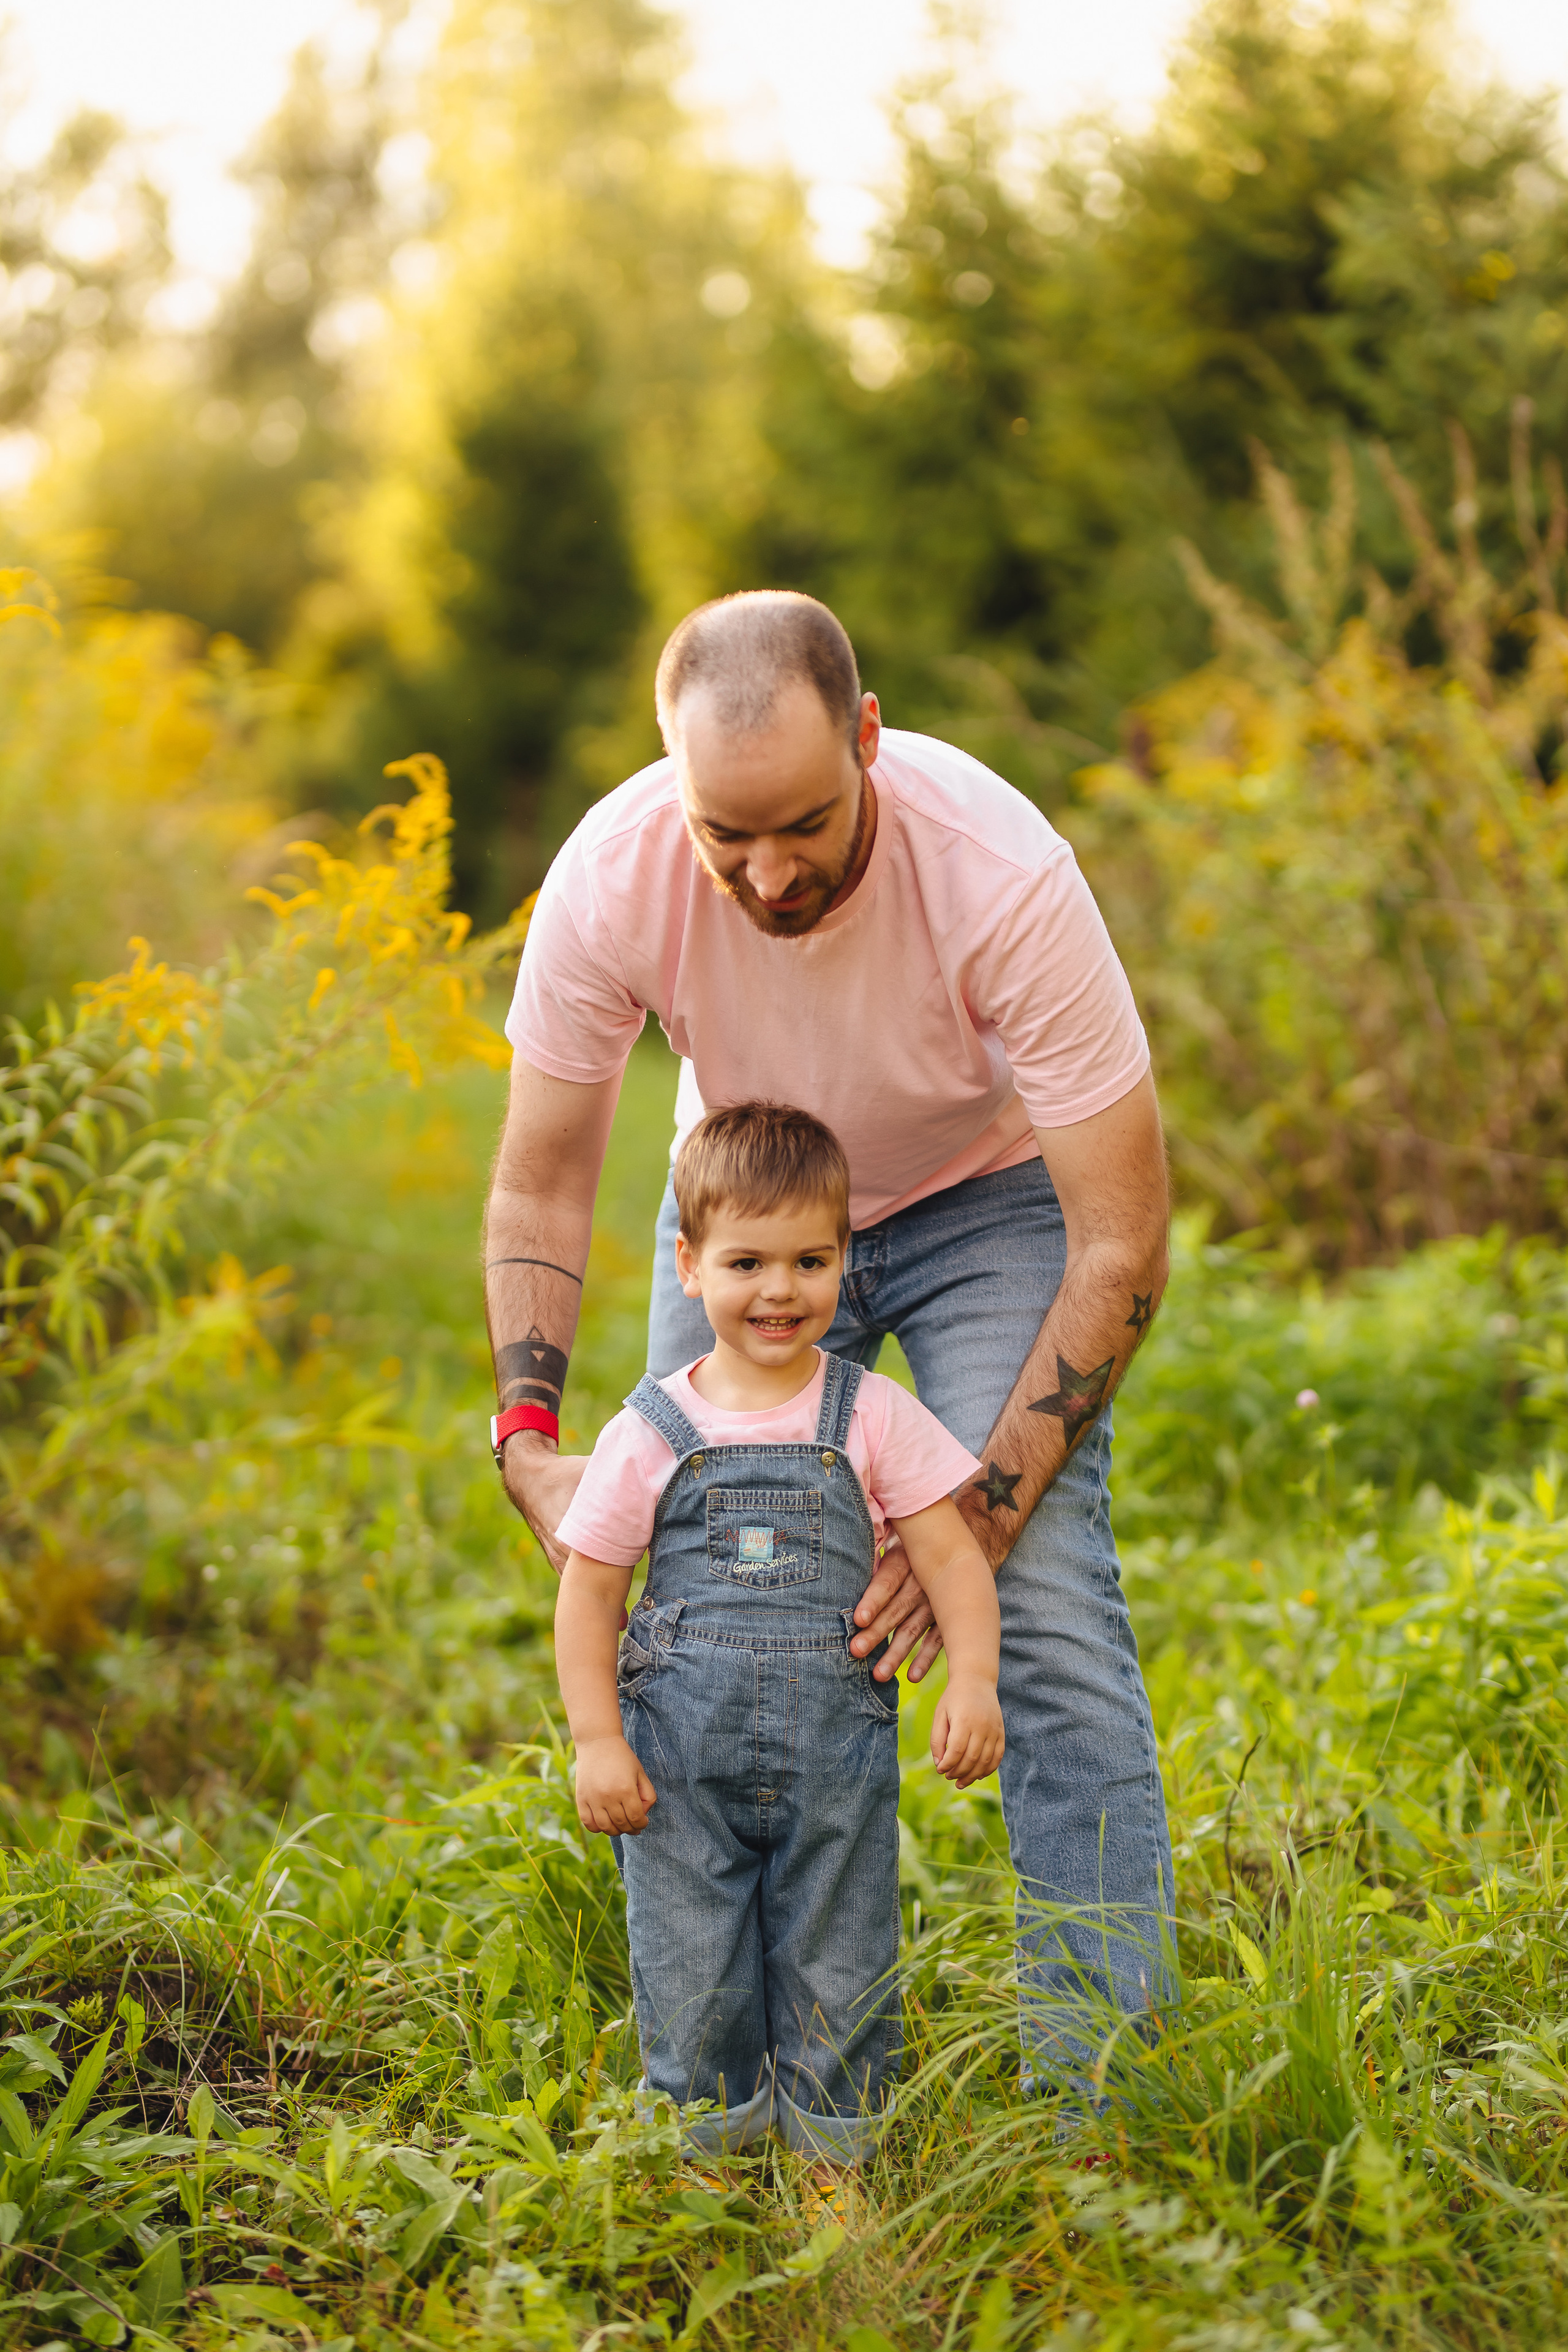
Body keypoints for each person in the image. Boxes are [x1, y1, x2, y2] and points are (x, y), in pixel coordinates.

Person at [484, 589, 1174, 2089]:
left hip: (984, 1204)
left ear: (867, 737)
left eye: (802, 822)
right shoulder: (611, 877)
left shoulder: (996, 874)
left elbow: (1121, 1238)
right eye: (725, 836)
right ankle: (737, 2072)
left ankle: (1105, 2098)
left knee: (1039, 1610)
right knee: (706, 1622)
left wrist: (971, 1520)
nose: (768, 871)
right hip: (747, 1211)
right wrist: (527, 1440)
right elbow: (541, 1178)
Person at [552, 1101, 1002, 2161]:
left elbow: (947, 1554)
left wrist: (974, 1678)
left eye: (809, 1260)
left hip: (833, 1762)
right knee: (688, 1954)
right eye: (747, 1261)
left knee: (841, 1952)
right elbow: (591, 1591)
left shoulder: (869, 1411)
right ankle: (709, 2143)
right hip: (677, 1759)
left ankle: (835, 2152)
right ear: (691, 1263)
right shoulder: (649, 1430)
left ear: (844, 1260)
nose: (780, 1290)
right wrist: (596, 1738)